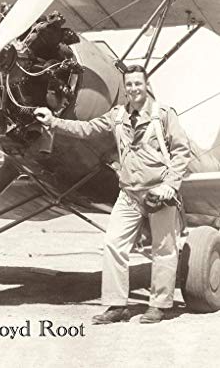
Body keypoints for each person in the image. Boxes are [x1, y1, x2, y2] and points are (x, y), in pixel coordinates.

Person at [34, 65, 190, 324]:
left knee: (164, 250)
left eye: (137, 84)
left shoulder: (163, 115)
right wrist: (54, 122)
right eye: (128, 85)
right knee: (113, 245)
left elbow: (182, 152)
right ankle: (117, 305)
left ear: (146, 85)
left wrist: (170, 185)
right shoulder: (117, 115)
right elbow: (87, 129)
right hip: (128, 194)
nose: (133, 89)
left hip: (159, 193)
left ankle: (159, 305)